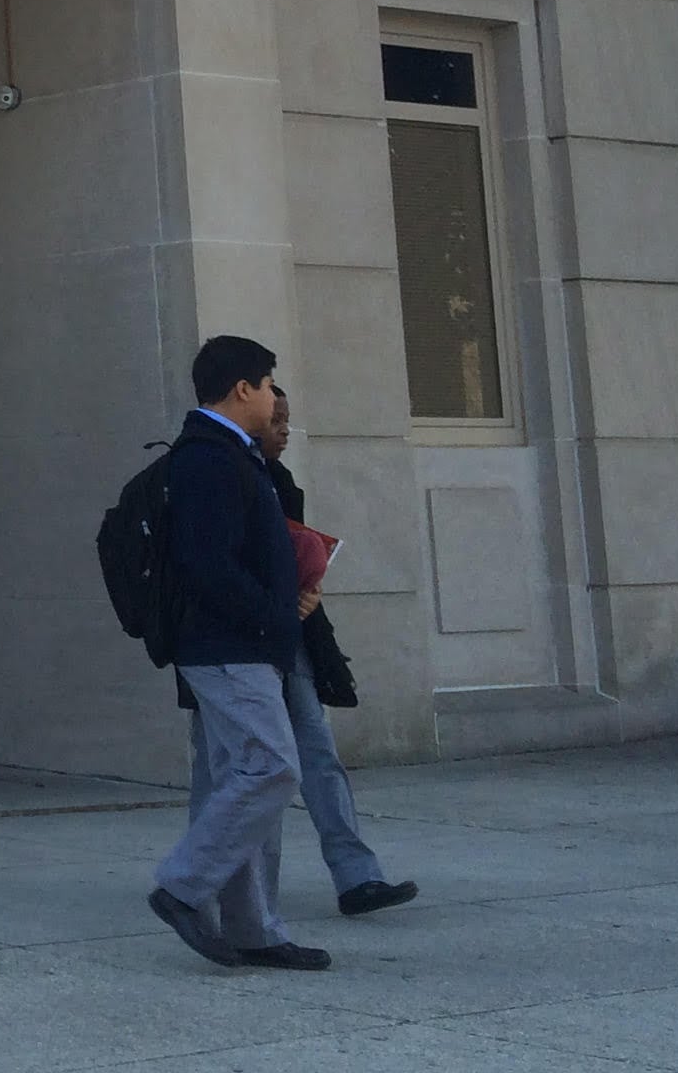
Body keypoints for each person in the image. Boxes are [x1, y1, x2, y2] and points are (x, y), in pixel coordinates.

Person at [146, 334, 329, 972]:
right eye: (270, 382)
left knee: (244, 780)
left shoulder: (231, 454)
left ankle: (253, 929)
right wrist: (273, 614)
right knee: (272, 769)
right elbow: (208, 565)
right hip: (228, 648)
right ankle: (182, 886)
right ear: (243, 388)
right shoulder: (209, 459)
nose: (276, 395)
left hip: (243, 644)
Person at [252, 385, 415, 919]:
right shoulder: (222, 476)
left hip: (293, 636)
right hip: (239, 647)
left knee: (317, 752)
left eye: (288, 420)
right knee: (246, 767)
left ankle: (357, 877)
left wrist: (307, 593)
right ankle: (230, 890)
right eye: (274, 418)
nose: (283, 429)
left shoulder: (282, 483)